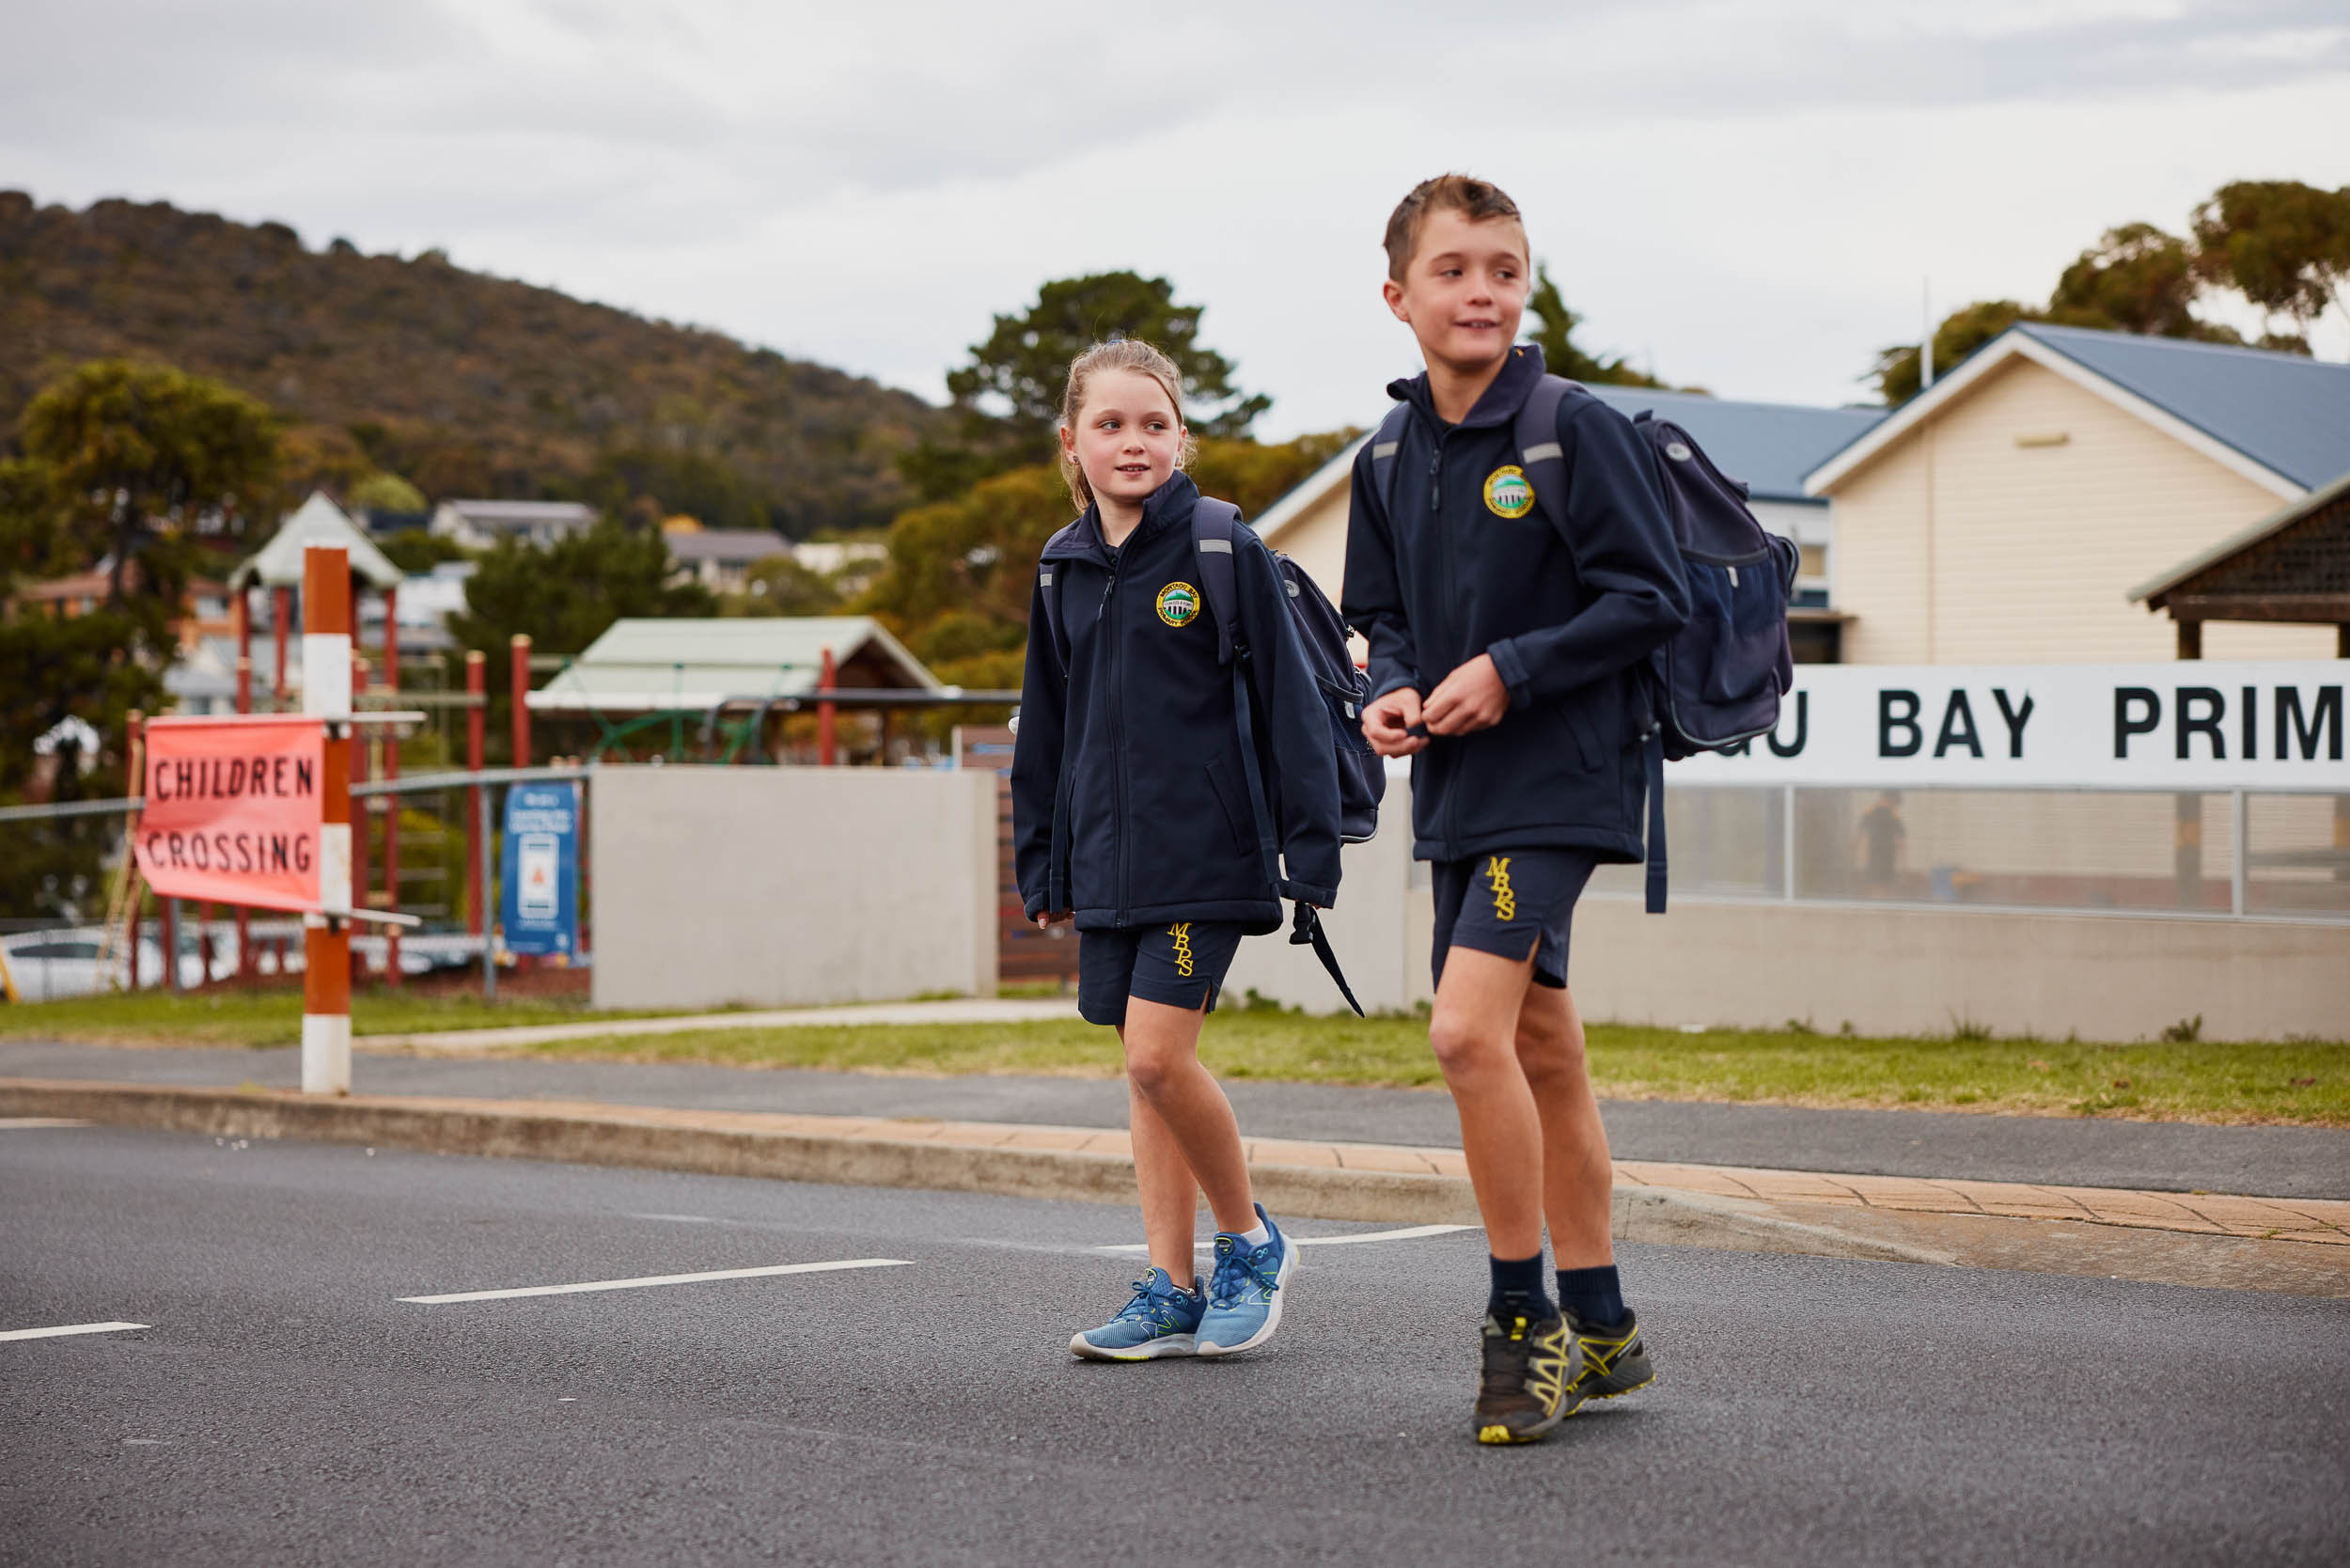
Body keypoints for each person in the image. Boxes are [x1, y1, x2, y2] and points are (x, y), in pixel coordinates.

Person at [1343, 175, 1692, 1443]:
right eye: (1453, 269)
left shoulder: (1571, 426)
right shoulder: (1383, 455)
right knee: (1541, 1049)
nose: (1480, 289)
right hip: (1458, 785)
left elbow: (1656, 597)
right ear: (1400, 297)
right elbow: (1376, 621)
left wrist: (1513, 669)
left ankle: (1520, 1322)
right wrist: (1389, 690)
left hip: (1564, 776)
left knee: (1461, 1034)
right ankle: (1605, 1326)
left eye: (1503, 268)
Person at [1011, 338, 1342, 1362]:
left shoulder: (1217, 546)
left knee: (1159, 1054)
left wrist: (1310, 851)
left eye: (1153, 424)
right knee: (1142, 1069)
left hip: (1209, 851)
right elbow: (1047, 725)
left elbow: (1291, 705)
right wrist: (1044, 864)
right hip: (1108, 859)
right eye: (1110, 424)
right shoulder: (1061, 566)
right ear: (1072, 443)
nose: (1133, 441)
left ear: (1181, 437)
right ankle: (1170, 1284)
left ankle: (1250, 1241)